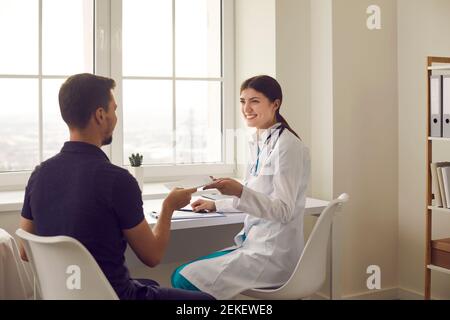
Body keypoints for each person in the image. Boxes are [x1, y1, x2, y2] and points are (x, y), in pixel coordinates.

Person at [18, 73, 214, 300]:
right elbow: (152, 256)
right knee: (207, 302)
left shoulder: (39, 175)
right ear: (100, 115)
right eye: (114, 109)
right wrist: (168, 207)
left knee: (147, 284)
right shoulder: (117, 180)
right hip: (115, 296)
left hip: (64, 295)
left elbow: (25, 251)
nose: (115, 117)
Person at [171, 75, 311, 299]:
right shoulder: (257, 141)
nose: (246, 108)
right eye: (242, 101)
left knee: (182, 279)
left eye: (254, 101)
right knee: (181, 276)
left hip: (273, 252)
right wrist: (216, 204)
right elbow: (256, 196)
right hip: (255, 242)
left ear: (275, 104)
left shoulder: (288, 146)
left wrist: (239, 191)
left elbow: (283, 210)